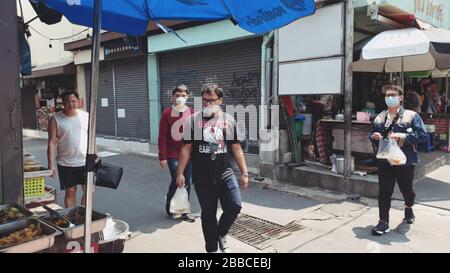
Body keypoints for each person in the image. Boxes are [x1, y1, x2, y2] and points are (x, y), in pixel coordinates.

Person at [176, 83, 249, 253]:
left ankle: (221, 233)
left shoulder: (228, 121)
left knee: (234, 206)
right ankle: (211, 249)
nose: (208, 104)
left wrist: (244, 173)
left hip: (225, 173)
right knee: (208, 214)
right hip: (203, 177)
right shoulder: (192, 121)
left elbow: (236, 148)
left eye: (212, 100)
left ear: (220, 101)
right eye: (204, 100)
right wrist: (180, 172)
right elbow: (186, 149)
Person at [369, 85, 428, 236]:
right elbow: (371, 135)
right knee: (384, 192)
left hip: (405, 162)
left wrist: (405, 137)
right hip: (385, 161)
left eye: (393, 95)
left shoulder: (411, 116)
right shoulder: (379, 117)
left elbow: (423, 136)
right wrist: (374, 137)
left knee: (407, 191)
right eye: (387, 95)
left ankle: (408, 208)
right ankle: (383, 222)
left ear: (401, 98)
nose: (390, 98)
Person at [158, 84, 195, 222]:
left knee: (188, 182)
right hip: (173, 155)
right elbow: (162, 136)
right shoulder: (167, 113)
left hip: (189, 155)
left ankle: (185, 210)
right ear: (172, 97)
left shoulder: (191, 112)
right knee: (177, 180)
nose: (180, 98)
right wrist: (162, 157)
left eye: (183, 95)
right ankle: (170, 204)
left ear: (188, 97)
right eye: (177, 95)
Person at [47, 91, 91, 208]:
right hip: (66, 163)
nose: (71, 104)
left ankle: (83, 215)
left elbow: (91, 137)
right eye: (67, 102)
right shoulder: (55, 119)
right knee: (71, 191)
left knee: (89, 191)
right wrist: (51, 164)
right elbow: (51, 142)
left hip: (85, 161)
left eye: (73, 101)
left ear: (78, 101)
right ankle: (71, 217)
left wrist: (95, 153)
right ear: (63, 103)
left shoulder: (86, 116)